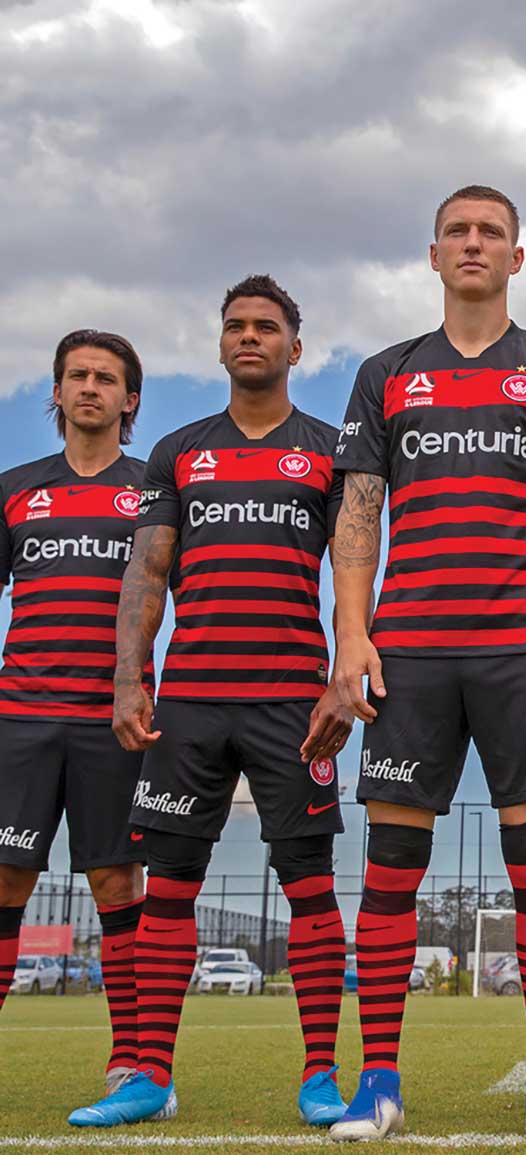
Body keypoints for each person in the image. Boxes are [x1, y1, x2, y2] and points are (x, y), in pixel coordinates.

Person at [326, 185, 526, 1143]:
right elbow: (358, 512)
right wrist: (351, 635)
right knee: (391, 868)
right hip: (409, 650)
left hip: (523, 649)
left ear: (516, 257)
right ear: (434, 254)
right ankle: (378, 1082)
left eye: (491, 232)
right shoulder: (388, 373)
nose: (474, 243)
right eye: (458, 231)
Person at [74, 275, 353, 1128]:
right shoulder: (180, 450)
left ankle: (319, 1074)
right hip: (190, 705)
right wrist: (130, 677)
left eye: (265, 326)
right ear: (220, 342)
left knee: (310, 885)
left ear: (295, 348)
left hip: (292, 705)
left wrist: (344, 676)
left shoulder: (328, 450)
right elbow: (147, 570)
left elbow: (354, 570)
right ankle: (149, 1077)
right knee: (168, 889)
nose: (249, 337)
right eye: (235, 325)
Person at [0, 330, 160, 1122]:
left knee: (116, 883)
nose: (89, 386)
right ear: (57, 392)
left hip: (115, 722)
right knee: (6, 881)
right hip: (21, 719)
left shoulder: (152, 489)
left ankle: (129, 1060)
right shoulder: (16, 490)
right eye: (77, 375)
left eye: (105, 377)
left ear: (129, 399)